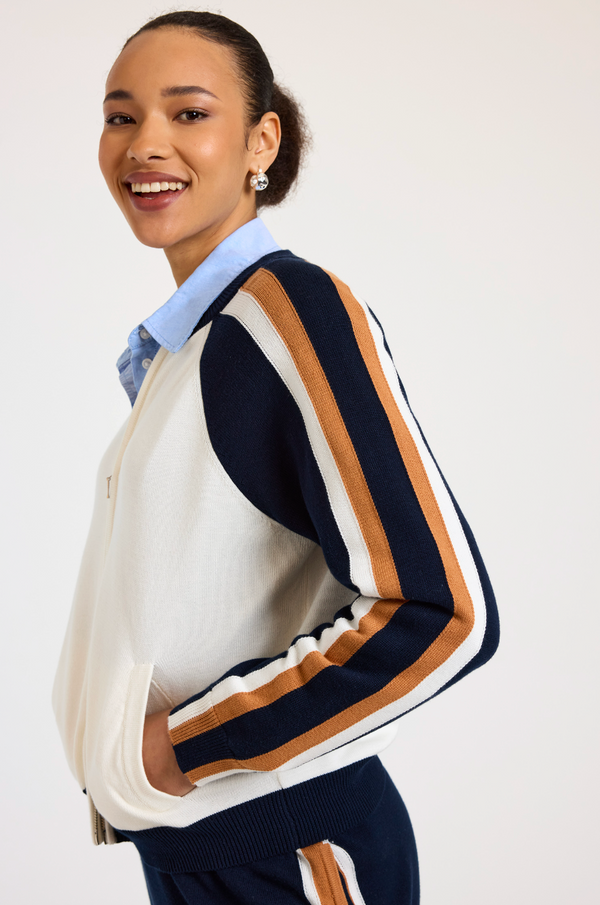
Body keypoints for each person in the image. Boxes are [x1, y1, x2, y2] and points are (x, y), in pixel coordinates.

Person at [52, 11, 499, 905]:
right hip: (202, 853)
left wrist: (179, 748)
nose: (145, 144)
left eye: (188, 113)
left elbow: (443, 613)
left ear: (262, 141)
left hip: (287, 854)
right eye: (120, 116)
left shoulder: (292, 311)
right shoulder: (192, 346)